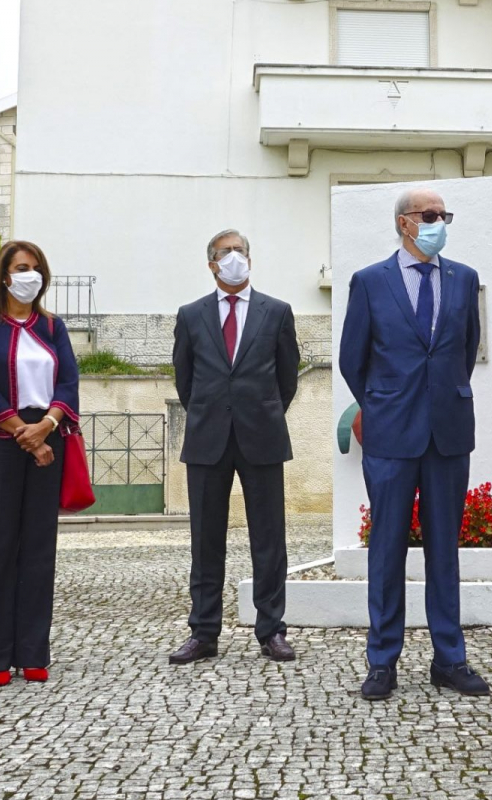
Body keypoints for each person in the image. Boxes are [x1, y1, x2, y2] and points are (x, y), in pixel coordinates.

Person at [337, 187, 489, 701]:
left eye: (444, 215)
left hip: (448, 433)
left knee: (444, 550)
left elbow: (465, 349)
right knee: (386, 550)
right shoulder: (369, 281)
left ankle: (450, 659)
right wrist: (383, 405)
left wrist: (440, 397)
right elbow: (352, 359)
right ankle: (382, 661)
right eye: (430, 215)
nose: (439, 222)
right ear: (404, 223)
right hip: (390, 435)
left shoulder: (463, 278)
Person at [169, 229, 301, 666]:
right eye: (225, 252)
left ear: (250, 259)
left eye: (240, 250)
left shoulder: (276, 311)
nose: (233, 257)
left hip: (262, 436)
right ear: (211, 264)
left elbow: (287, 378)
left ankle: (272, 630)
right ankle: (203, 632)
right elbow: (185, 379)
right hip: (207, 439)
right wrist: (212, 411)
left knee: (269, 538)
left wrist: (261, 411)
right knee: (205, 539)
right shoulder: (191, 315)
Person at [0, 241, 81, 687]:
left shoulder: (52, 326)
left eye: (35, 268)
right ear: (4, 275)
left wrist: (46, 426)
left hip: (48, 439)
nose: (28, 274)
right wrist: (24, 434)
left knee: (38, 549)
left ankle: (33, 651)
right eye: (20, 267)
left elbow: (68, 381)